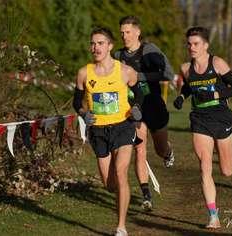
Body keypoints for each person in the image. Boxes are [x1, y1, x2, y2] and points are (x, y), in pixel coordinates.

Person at [72, 27, 143, 236]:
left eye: (100, 43)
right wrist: (84, 113)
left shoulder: (125, 71)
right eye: (93, 43)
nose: (96, 47)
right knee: (109, 184)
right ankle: (116, 193)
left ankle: (121, 226)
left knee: (121, 173)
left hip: (123, 126)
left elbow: (139, 94)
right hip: (98, 131)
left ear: (110, 46)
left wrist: (137, 109)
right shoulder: (84, 73)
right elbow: (77, 101)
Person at [173, 26, 232, 229]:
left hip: (221, 118)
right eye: (189, 44)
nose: (191, 47)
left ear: (205, 45)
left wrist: (215, 95)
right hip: (199, 119)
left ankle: (230, 157)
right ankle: (213, 216)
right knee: (205, 167)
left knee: (227, 171)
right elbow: (188, 85)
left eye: (196, 44)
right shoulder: (186, 68)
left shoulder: (217, 63)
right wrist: (181, 96)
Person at [114, 16, 175, 211]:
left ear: (137, 32)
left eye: (128, 32)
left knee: (160, 148)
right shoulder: (117, 56)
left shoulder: (149, 50)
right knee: (140, 149)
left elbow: (168, 74)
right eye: (122, 32)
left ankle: (168, 152)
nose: (124, 36)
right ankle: (146, 195)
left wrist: (138, 76)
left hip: (153, 104)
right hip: (133, 108)